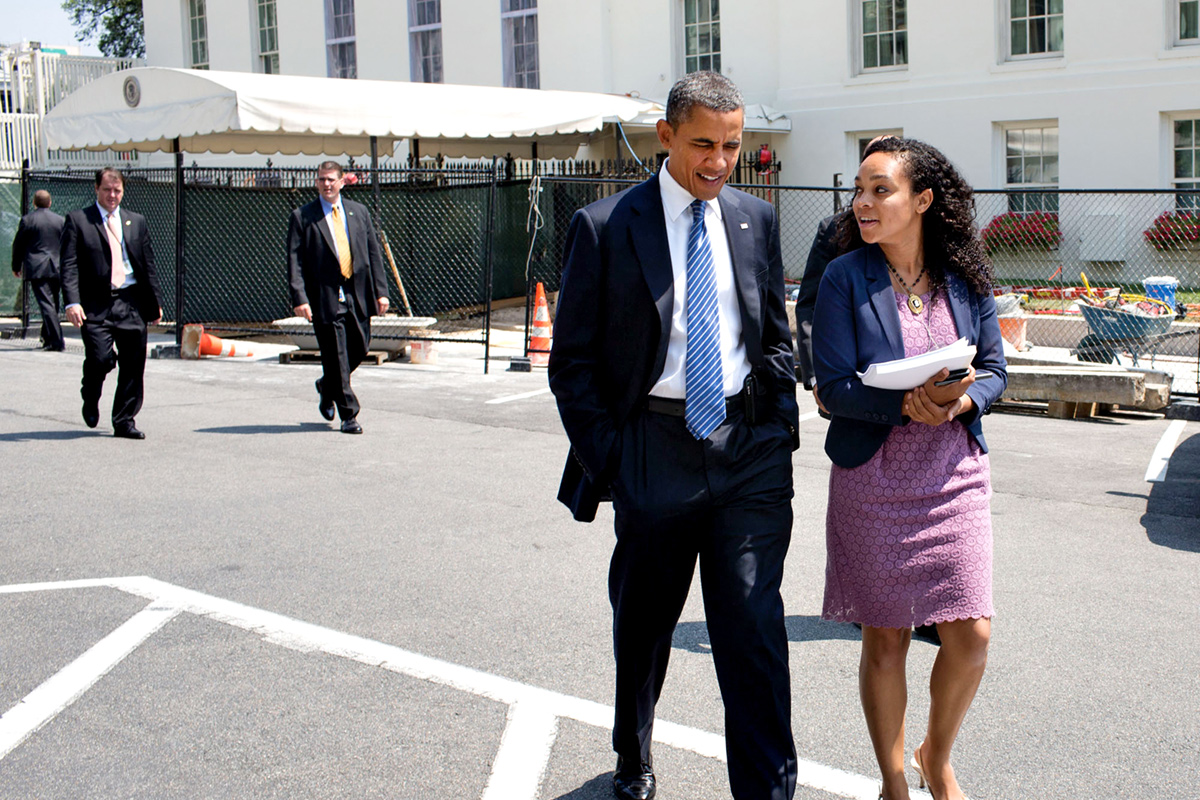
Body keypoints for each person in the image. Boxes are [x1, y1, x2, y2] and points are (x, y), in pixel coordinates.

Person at [549, 72, 800, 800]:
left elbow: (774, 338)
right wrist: (616, 460)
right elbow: (572, 364)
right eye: (703, 145)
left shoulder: (755, 219)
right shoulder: (605, 227)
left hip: (747, 450)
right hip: (652, 451)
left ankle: (767, 792)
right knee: (646, 622)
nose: (720, 161)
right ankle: (634, 753)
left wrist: (777, 432)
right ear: (665, 137)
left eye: (731, 144)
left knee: (753, 629)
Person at [811, 137, 1007, 800]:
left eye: (880, 190)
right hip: (874, 480)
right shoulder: (845, 277)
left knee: (972, 635)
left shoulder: (967, 277)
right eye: (859, 191)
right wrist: (906, 403)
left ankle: (936, 754)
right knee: (887, 639)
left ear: (922, 199)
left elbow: (996, 372)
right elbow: (834, 387)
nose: (863, 203)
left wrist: (961, 402)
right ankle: (894, 778)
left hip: (954, 473)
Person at [287, 161, 389, 434]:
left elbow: (373, 253)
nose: (326, 184)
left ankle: (326, 385)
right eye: (321, 180)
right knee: (336, 353)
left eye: (331, 179)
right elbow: (294, 261)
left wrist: (381, 292)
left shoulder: (359, 212)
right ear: (317, 182)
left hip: (357, 294)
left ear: (342, 181)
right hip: (324, 297)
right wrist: (300, 297)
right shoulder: (303, 216)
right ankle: (349, 415)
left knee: (360, 347)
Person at [61, 168, 164, 439]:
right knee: (100, 358)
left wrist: (154, 304)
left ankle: (124, 420)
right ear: (96, 188)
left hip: (131, 302)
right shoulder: (79, 220)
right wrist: (72, 302)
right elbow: (69, 265)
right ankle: (90, 393)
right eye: (107, 190)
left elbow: (147, 264)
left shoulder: (136, 221)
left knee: (133, 363)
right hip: (96, 305)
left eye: (117, 190)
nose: (112, 195)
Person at [12, 189, 66, 351]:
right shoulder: (60, 220)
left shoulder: (28, 220)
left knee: (46, 304)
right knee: (53, 303)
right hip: (56, 266)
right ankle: (47, 337)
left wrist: (16, 266)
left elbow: (18, 244)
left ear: (34, 203)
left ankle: (56, 341)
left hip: (37, 267)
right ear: (50, 203)